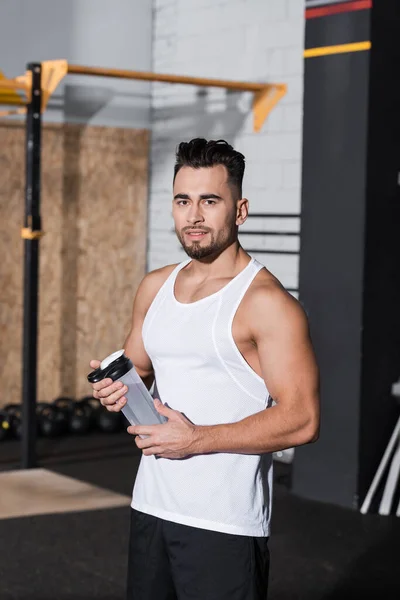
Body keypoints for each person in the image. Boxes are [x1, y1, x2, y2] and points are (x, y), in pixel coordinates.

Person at [89, 138, 320, 600]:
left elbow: (302, 419)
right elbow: (140, 370)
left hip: (224, 524)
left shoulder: (267, 304)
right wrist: (116, 388)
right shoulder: (155, 287)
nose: (194, 216)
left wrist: (196, 438)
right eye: (183, 201)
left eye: (210, 201)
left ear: (240, 209)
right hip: (151, 506)